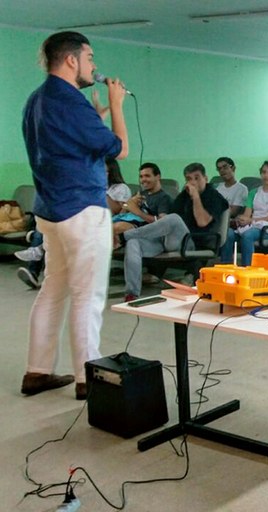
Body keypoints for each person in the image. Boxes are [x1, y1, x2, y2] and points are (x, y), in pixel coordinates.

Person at [20, 31, 128, 400]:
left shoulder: (37, 100)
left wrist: (94, 118)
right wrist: (116, 106)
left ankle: (37, 371)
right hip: (82, 210)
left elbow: (66, 146)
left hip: (50, 211)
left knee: (52, 291)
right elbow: (120, 149)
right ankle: (88, 379)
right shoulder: (71, 100)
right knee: (87, 296)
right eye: (90, 57)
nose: (94, 66)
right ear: (71, 60)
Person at [120, 163, 228, 301]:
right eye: (189, 179)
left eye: (197, 178)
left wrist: (195, 197)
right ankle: (132, 294)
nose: (193, 182)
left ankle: (123, 236)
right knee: (133, 243)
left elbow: (202, 222)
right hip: (166, 240)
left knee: (174, 219)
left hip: (192, 241)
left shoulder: (214, 196)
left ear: (205, 178)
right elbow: (165, 221)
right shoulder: (184, 195)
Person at [221, 161, 268, 265]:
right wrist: (242, 220)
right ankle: (225, 266)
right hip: (252, 226)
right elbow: (247, 214)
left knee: (248, 235)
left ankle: (247, 268)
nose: (266, 175)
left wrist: (250, 220)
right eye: (264, 172)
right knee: (228, 233)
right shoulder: (254, 192)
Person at [112, 161, 173, 237]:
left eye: (147, 176)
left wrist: (137, 211)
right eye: (141, 176)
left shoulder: (164, 198)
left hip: (143, 229)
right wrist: (130, 202)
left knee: (115, 228)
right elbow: (122, 213)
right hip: (125, 220)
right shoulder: (140, 194)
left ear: (158, 177)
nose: (143, 179)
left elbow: (163, 222)